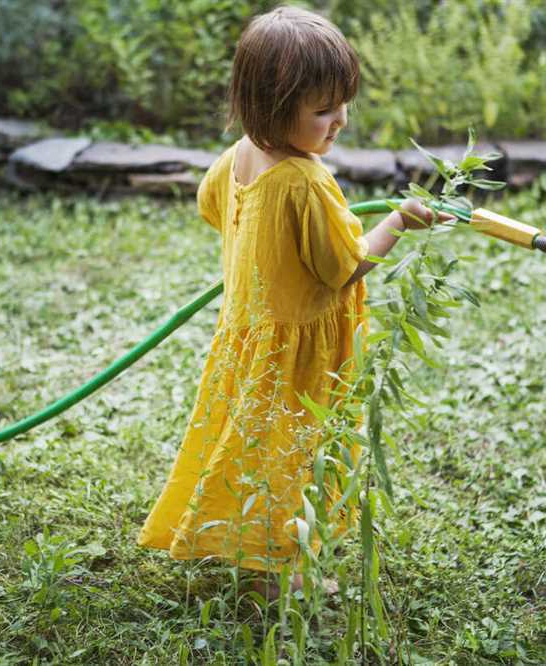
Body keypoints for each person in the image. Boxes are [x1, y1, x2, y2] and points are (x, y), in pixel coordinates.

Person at [137, 5, 446, 600]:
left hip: (249, 336)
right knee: (297, 457)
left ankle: (233, 541)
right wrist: (401, 220)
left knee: (251, 446)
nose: (341, 121)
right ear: (274, 108)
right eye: (323, 110)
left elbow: (210, 204)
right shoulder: (306, 181)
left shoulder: (240, 155)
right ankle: (285, 572)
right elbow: (346, 266)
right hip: (300, 350)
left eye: (342, 103)